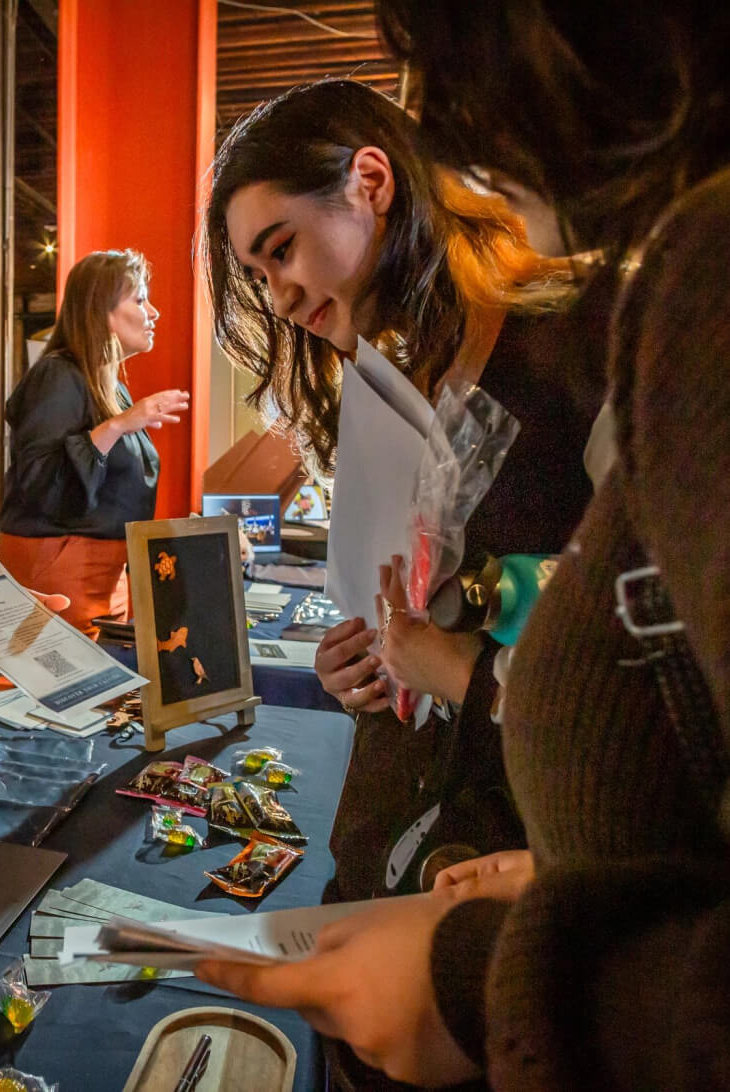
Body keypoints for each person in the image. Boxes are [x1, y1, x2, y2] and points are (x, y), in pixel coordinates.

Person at [198, 5, 730, 1088]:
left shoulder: (590, 341)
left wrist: (462, 665)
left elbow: (653, 648)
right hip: (417, 868)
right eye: (257, 274)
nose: (282, 295)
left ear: (371, 184)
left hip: (538, 929)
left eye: (281, 251)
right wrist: (374, 661)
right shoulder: (395, 385)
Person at [0, 249, 189, 636]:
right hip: (59, 574)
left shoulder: (109, 387)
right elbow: (39, 482)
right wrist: (118, 426)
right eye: (139, 299)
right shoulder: (58, 375)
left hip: (102, 579)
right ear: (101, 310)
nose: (154, 312)